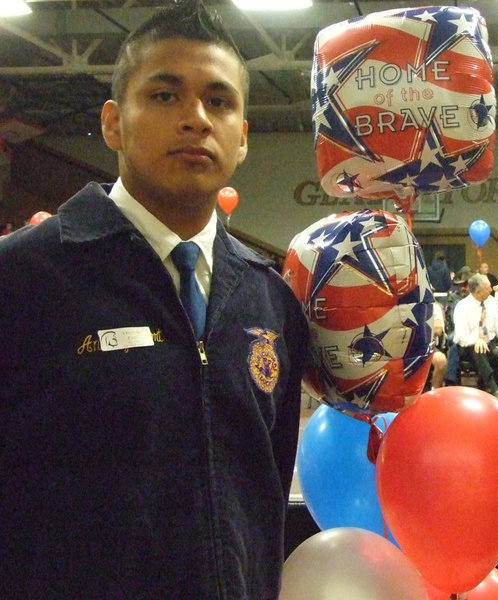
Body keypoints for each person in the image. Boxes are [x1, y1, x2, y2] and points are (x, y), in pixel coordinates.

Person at [0, 2, 309, 599]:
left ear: (241, 138)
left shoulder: (268, 299)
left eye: (219, 102)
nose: (196, 118)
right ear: (114, 123)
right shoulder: (24, 280)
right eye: (165, 96)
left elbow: (262, 497)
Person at [446, 273, 498, 400]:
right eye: (488, 288)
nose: (491, 290)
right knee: (478, 350)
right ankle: (493, 387)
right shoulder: (462, 306)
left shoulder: (491, 302)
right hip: (467, 345)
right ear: (478, 292)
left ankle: (496, 387)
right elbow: (461, 335)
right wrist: (476, 340)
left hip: (488, 342)